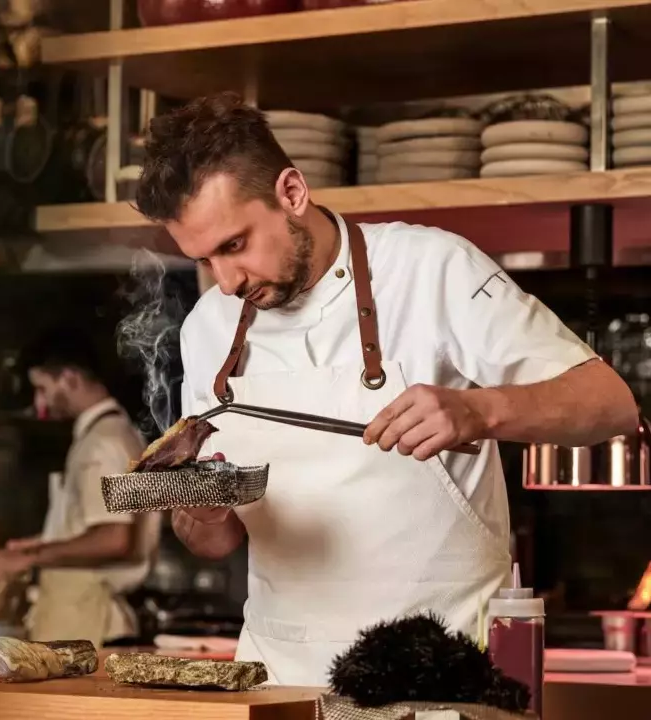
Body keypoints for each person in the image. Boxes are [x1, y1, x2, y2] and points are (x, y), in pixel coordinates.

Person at [132, 92, 640, 687]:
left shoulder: (432, 269)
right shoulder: (209, 327)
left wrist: (480, 409)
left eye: (235, 245)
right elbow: (215, 541)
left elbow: (611, 403)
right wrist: (200, 511)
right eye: (204, 259)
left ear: (291, 193)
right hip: (279, 681)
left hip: (442, 675)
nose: (226, 280)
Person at [0, 329, 161, 648]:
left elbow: (115, 538)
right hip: (82, 624)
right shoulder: (114, 434)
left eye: (42, 388)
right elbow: (96, 527)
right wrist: (36, 546)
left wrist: (31, 558)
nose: (39, 403)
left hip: (89, 628)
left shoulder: (102, 444)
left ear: (69, 378)